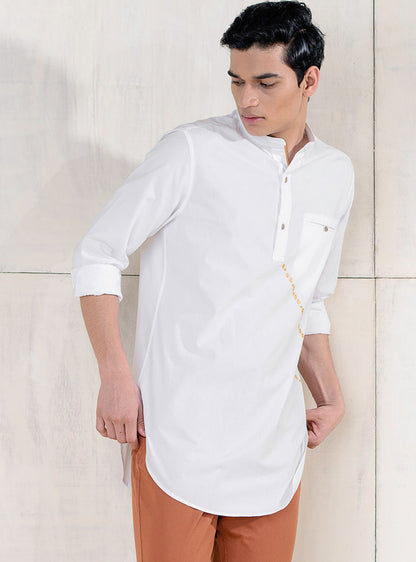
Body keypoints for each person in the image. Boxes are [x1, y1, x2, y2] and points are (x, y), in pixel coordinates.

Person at [71, 1, 354, 560]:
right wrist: (115, 376)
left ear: (309, 80)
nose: (247, 99)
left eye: (265, 83)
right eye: (236, 81)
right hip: (176, 438)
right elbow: (97, 254)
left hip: (273, 450)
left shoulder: (335, 174)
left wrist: (331, 397)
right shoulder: (191, 151)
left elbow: (308, 300)